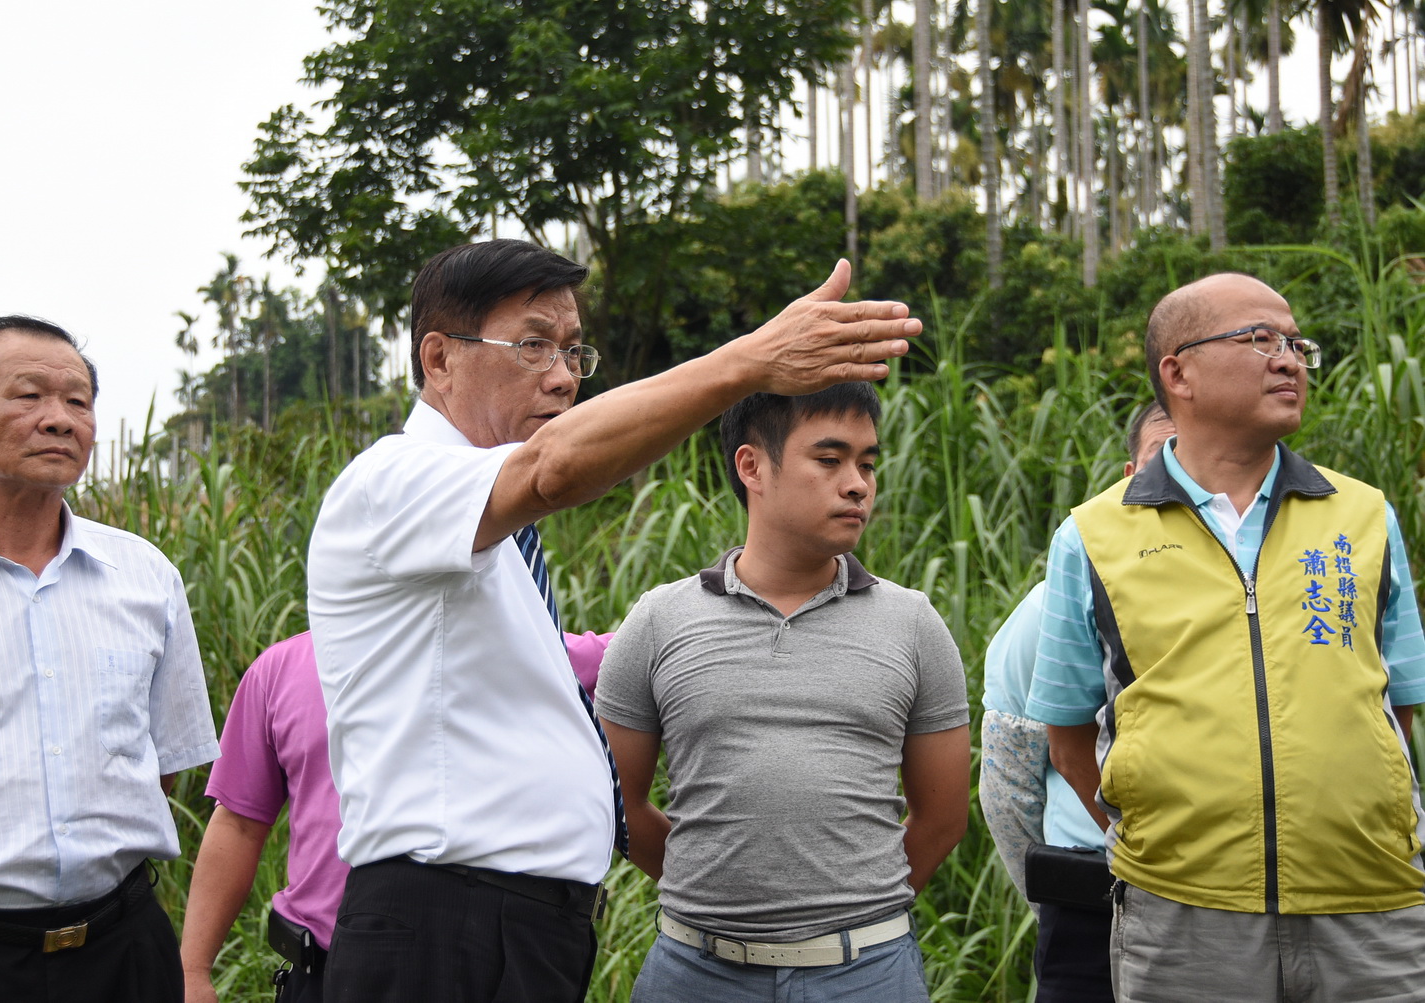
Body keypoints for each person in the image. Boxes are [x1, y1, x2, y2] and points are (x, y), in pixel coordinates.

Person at [305, 239, 919, 1002]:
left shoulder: (487, 534)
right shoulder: (393, 481)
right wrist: (751, 362)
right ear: (439, 359)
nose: (562, 377)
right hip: (444, 925)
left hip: (511, 931)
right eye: (532, 345)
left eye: (572, 350)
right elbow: (556, 466)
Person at [1025, 273, 1425, 1002]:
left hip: (1370, 903)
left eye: (1296, 343)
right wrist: (1160, 837)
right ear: (1177, 372)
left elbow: (1396, 708)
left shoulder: (1364, 516)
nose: (1290, 359)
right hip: (1182, 914)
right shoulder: (1093, 534)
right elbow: (1066, 736)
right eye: (1260, 339)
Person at [595, 383, 971, 1001]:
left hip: (869, 974)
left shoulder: (913, 623)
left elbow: (942, 819)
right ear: (752, 467)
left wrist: (852, 912)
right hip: (695, 973)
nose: (857, 483)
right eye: (830, 460)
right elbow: (618, 804)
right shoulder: (660, 619)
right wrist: (713, 888)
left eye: (867, 463)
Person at [0, 316, 219, 1003]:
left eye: (78, 402)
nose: (59, 419)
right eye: (29, 396)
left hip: (124, 947)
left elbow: (166, 763)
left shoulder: (144, 575)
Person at [180, 629, 612, 1003]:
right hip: (320, 969)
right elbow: (238, 823)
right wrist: (192, 969)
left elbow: (642, 649)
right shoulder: (282, 668)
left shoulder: (523, 652)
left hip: (465, 965)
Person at [977, 401, 1173, 1003]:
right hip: (1091, 897)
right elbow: (1009, 779)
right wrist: (1057, 893)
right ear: (1126, 476)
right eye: (1160, 464)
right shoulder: (1053, 604)